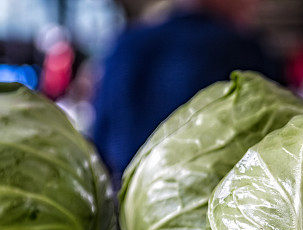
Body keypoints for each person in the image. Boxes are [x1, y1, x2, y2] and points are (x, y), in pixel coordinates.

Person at [93, 0, 279, 184]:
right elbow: (277, 135)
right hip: (212, 203)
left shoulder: (126, 45)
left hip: (127, 199)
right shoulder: (240, 50)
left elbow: (99, 142)